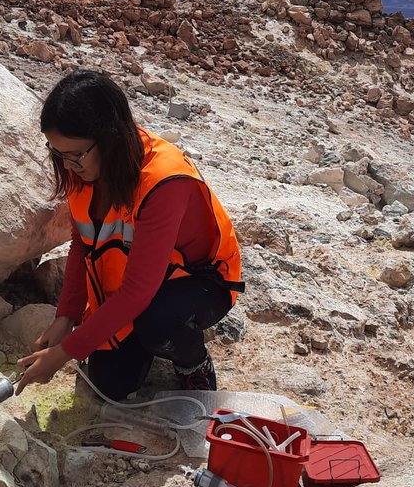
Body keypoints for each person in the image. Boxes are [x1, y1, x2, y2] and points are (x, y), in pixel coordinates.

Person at [15, 69, 243, 400]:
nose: (66, 167)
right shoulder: (85, 165)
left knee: (159, 325)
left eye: (74, 155)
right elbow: (84, 242)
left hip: (200, 279)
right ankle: (147, 336)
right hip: (140, 278)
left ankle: (193, 363)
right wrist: (66, 318)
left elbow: (137, 291)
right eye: (57, 154)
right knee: (111, 384)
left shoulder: (165, 181)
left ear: (109, 139)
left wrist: (63, 353)